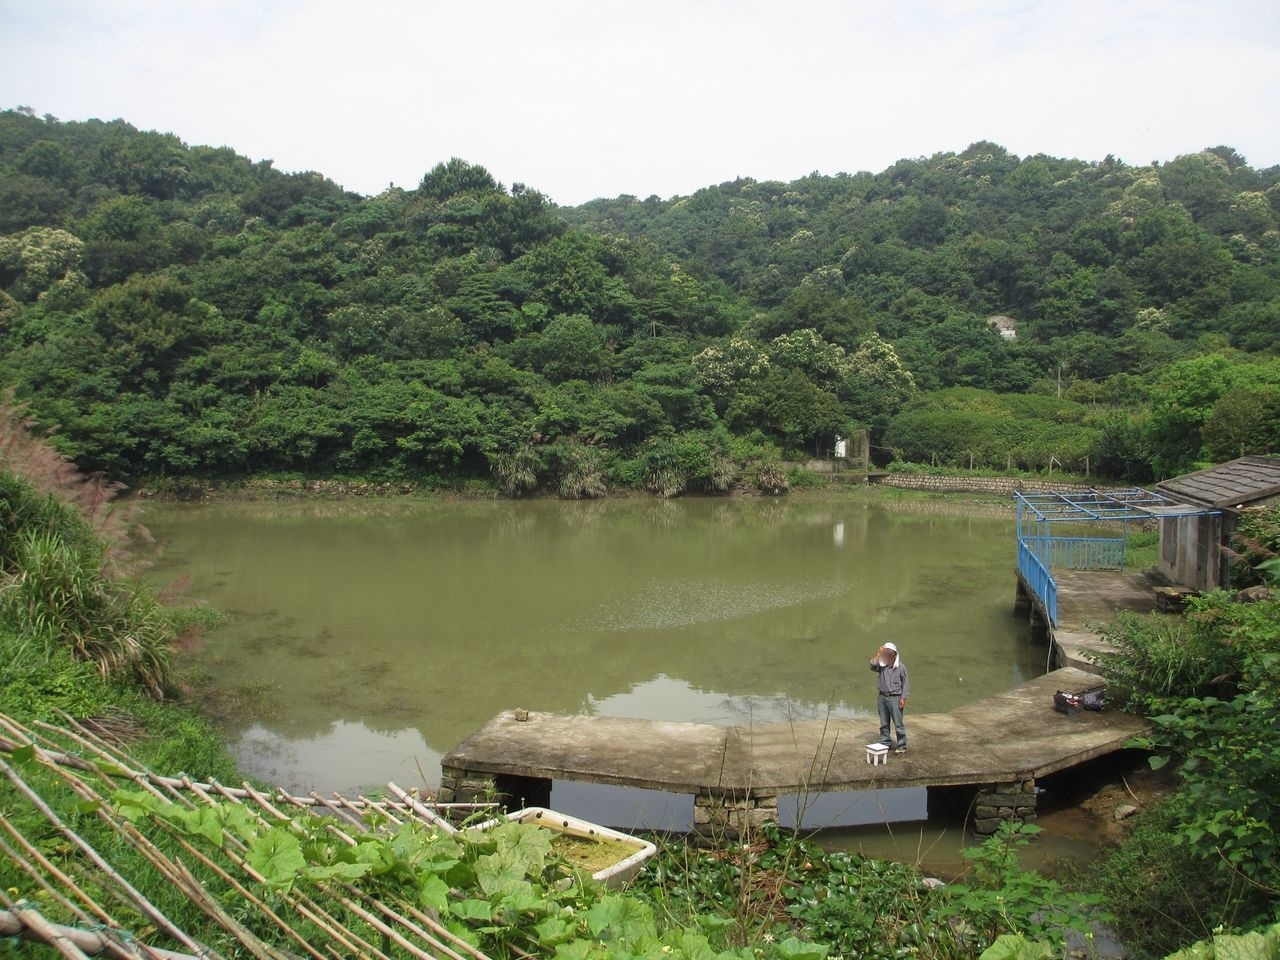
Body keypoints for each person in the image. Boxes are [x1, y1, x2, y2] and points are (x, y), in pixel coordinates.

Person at [869, 642, 909, 754]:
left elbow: (905, 683)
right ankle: (885, 742)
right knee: (884, 722)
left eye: (889, 655)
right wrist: (879, 653)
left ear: (895, 655)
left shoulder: (901, 668)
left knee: (898, 723)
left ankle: (902, 745)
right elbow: (872, 665)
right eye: (885, 655)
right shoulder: (881, 667)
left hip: (895, 698)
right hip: (882, 696)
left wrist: (903, 698)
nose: (887, 657)